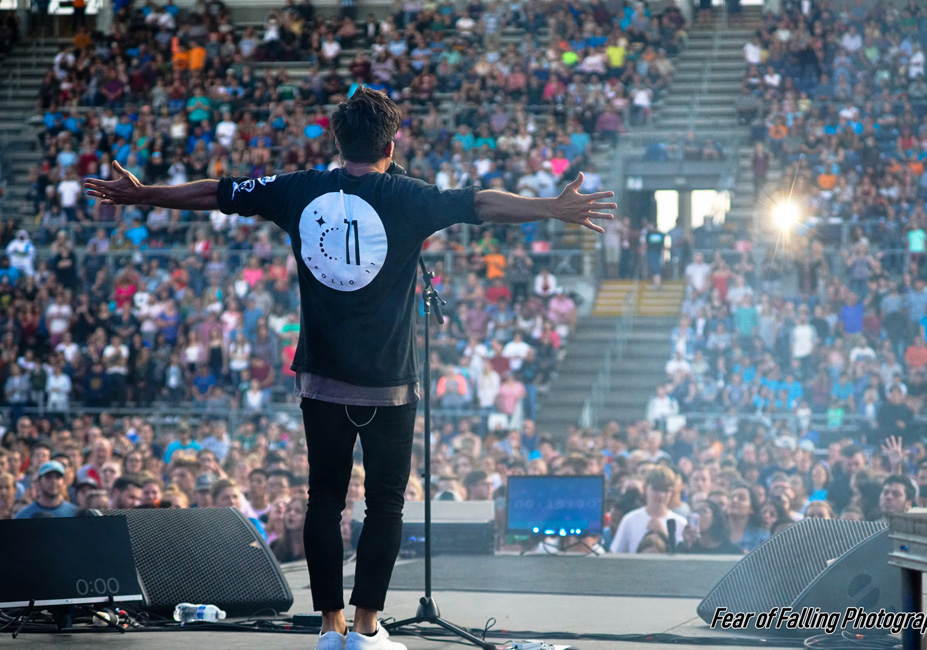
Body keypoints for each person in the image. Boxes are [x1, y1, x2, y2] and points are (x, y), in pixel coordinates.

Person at [85, 87, 614, 650]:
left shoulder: (299, 188)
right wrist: (551, 208)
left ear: (339, 141)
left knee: (323, 500)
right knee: (385, 504)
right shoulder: (409, 196)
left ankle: (329, 627)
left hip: (321, 379)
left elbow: (217, 192)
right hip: (390, 383)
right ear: (392, 143)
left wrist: (147, 197)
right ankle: (365, 629)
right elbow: (481, 204)